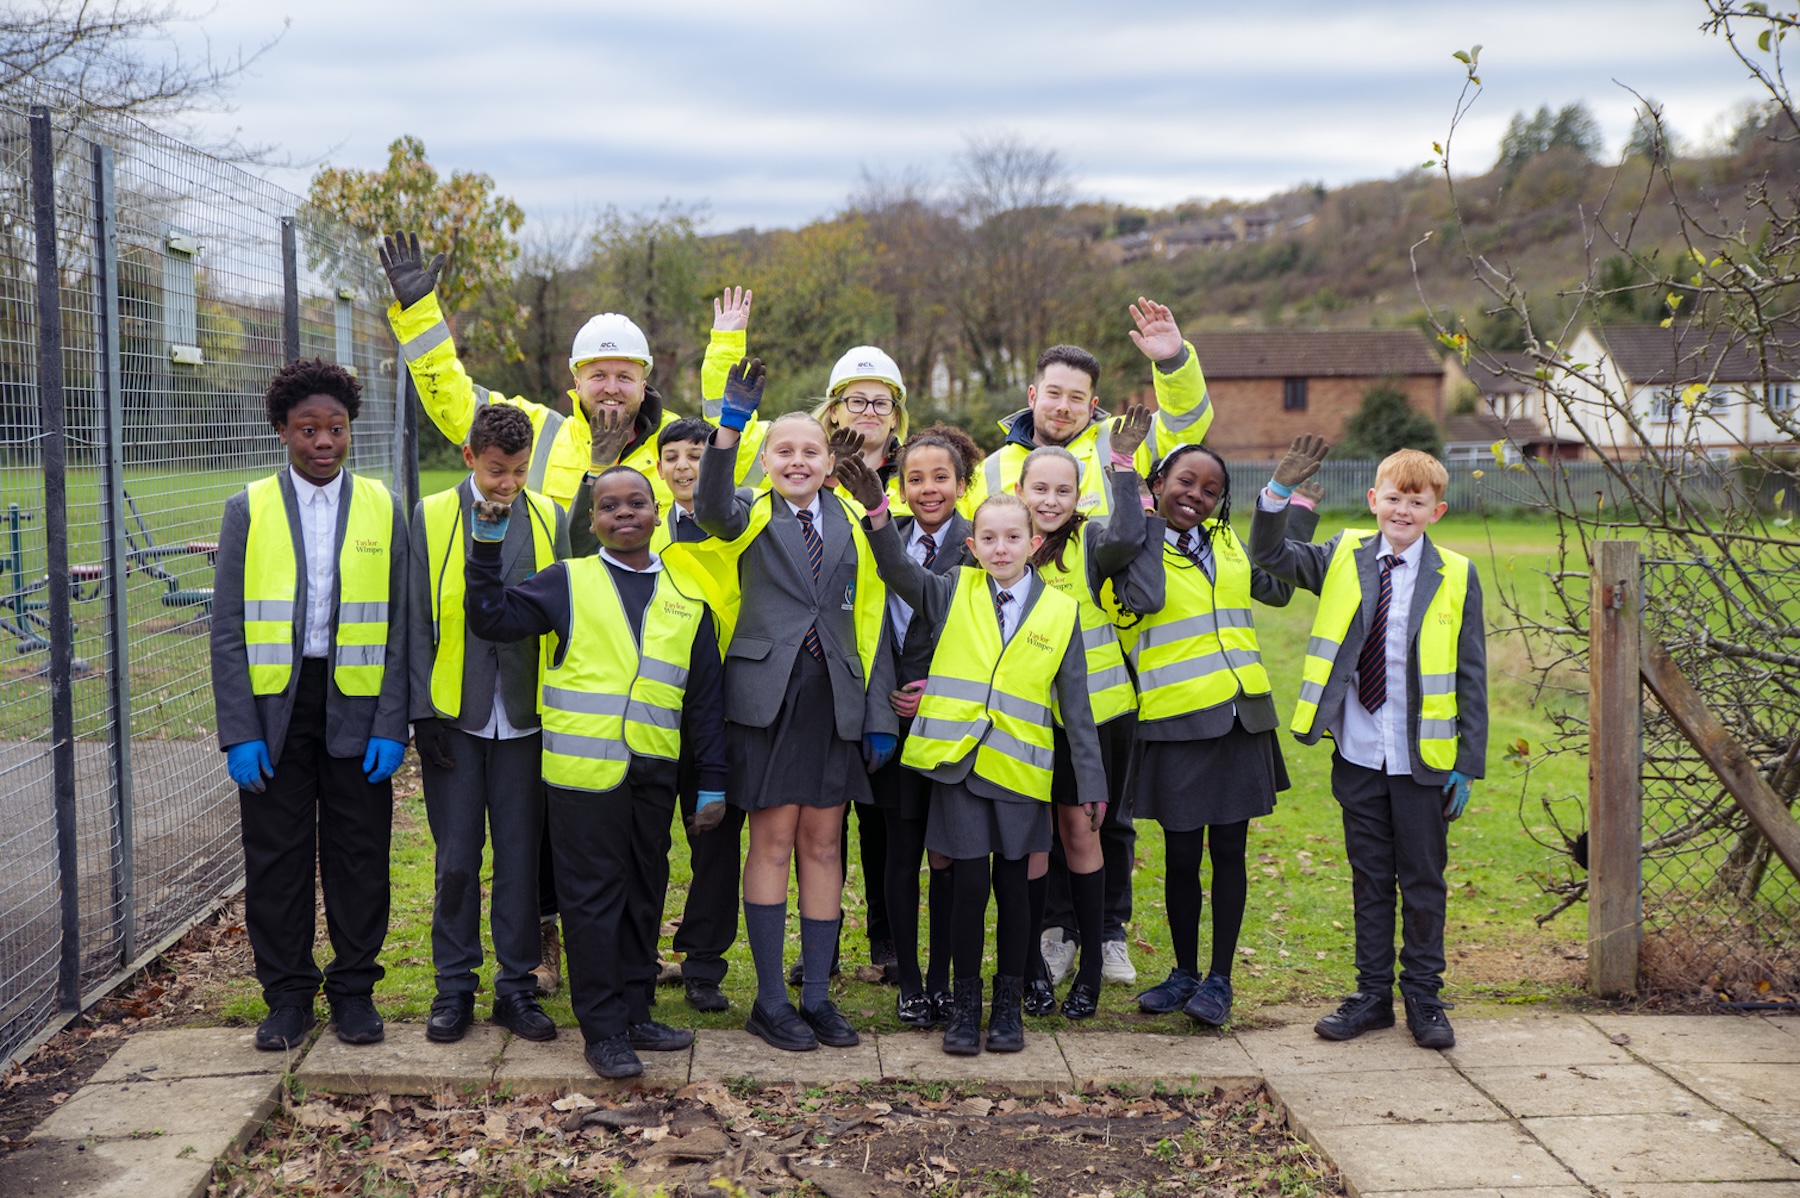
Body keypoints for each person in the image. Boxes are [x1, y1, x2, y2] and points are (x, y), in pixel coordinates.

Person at [464, 466, 728, 1079]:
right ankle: (603, 1027)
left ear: (658, 513)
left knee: (644, 893)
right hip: (581, 779)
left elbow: (706, 705)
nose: (624, 513)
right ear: (593, 522)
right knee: (591, 903)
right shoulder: (567, 581)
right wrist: (485, 547)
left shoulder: (689, 599)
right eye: (609, 506)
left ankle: (637, 1011)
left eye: (637, 502)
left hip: (653, 771)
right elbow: (491, 619)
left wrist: (711, 782)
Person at [842, 455, 1105, 1057]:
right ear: (972, 544)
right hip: (958, 770)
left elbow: (1078, 710)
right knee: (964, 892)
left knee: (1016, 893)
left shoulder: (1061, 614)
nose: (1002, 547)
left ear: (1034, 544)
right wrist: (879, 513)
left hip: (1019, 775)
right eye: (989, 538)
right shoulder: (950, 589)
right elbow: (899, 571)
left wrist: (1091, 782)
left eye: (1014, 538)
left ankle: (1007, 1008)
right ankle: (965, 1009)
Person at [1251, 436, 1487, 1050]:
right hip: (1358, 751)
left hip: (1423, 760)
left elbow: (1471, 674)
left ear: (1437, 510)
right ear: (1372, 499)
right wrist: (1278, 495)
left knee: (1423, 880)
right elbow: (1270, 556)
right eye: (1392, 499)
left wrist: (1467, 763)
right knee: (1371, 878)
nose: (1402, 510)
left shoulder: (1457, 575)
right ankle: (1371, 995)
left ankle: (1426, 998)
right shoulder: (1342, 554)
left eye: (1416, 501)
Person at [688, 359, 897, 1053]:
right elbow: (710, 509)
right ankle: (769, 999)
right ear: (767, 459)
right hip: (767, 701)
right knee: (772, 840)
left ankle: (816, 997)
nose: (798, 461)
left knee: (823, 842)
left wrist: (875, 714)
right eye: (785, 451)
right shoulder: (746, 512)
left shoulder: (851, 517)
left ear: (827, 459)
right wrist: (729, 428)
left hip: (833, 699)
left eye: (810, 450)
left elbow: (868, 616)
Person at [210, 357, 408, 1051]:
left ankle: (354, 991)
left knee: (359, 855)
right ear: (282, 431)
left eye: (337, 428)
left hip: (357, 707)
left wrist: (392, 722)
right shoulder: (249, 508)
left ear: (350, 429)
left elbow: (403, 625)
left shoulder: (384, 506)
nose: (324, 442)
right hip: (275, 712)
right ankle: (288, 995)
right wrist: (239, 731)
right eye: (308, 429)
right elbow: (229, 627)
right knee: (278, 858)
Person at [408, 404, 569, 1044]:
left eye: (520, 472)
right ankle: (453, 988)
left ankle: (517, 987)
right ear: (471, 457)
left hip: (529, 719)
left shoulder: (553, 517)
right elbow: (416, 621)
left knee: (522, 858)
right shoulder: (430, 515)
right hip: (455, 717)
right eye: (498, 470)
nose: (508, 484)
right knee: (455, 860)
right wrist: (423, 714)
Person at [1125, 445, 1296, 1028]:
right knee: (1178, 857)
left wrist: (1289, 508)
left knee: (1229, 852)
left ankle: (1219, 979)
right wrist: (1143, 514)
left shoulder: (1226, 543)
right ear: (1158, 482)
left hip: (1240, 717)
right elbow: (1141, 597)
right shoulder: (1135, 546)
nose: (1195, 496)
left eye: (1210, 490)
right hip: (1177, 720)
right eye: (1185, 482)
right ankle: (1183, 973)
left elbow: (1276, 589)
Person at [1007, 413, 1158, 1021]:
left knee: (1091, 830)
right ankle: (1049, 939)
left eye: (1062, 490)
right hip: (1027, 720)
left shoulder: (1092, 541)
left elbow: (1128, 533)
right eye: (1039, 489)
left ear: (1078, 497)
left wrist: (1122, 468)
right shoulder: (1003, 543)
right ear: (1021, 492)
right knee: (1034, 834)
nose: (1049, 500)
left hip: (1099, 715)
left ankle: (1097, 945)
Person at [869, 427, 979, 1027]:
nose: (928, 488)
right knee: (900, 849)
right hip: (895, 719)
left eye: (941, 477)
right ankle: (908, 979)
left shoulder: (978, 542)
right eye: (916, 478)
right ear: (901, 486)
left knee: (949, 854)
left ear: (961, 485)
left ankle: (943, 976)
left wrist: (939, 691)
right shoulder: (884, 537)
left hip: (953, 722)